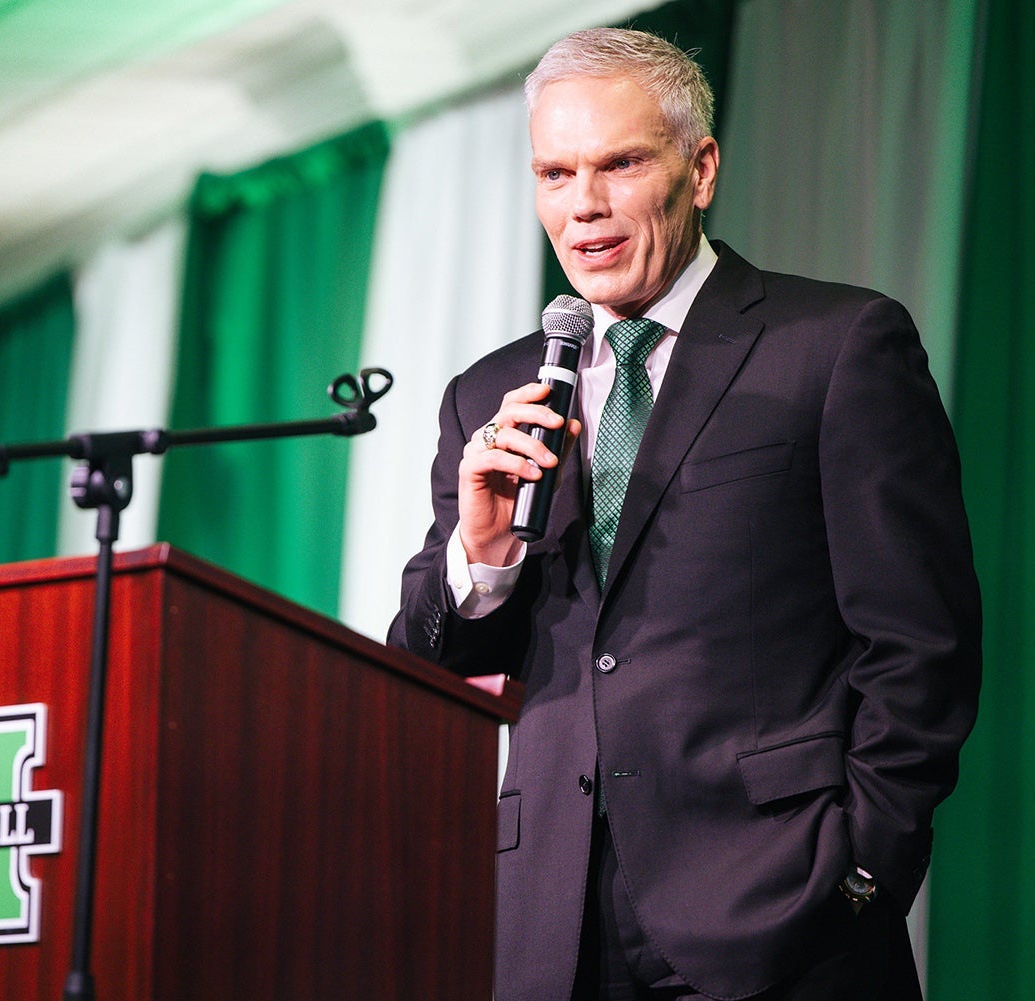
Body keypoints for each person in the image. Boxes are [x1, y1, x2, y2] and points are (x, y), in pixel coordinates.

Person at [388, 27, 981, 1001]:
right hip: (548, 927)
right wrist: (481, 546)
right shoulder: (490, 393)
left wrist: (862, 870)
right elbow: (424, 659)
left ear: (699, 168)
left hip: (783, 911)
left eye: (619, 163)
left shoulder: (834, 347)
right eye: (556, 172)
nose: (584, 205)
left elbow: (922, 643)